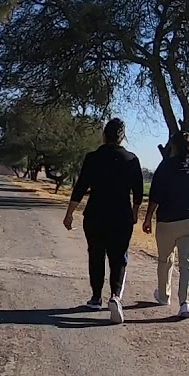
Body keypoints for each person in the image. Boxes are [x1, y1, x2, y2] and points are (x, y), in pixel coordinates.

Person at [63, 118, 144, 325]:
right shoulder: (132, 160)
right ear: (123, 137)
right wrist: (135, 212)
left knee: (96, 254)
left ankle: (96, 297)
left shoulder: (93, 158)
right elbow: (138, 192)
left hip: (96, 214)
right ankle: (115, 296)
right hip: (121, 215)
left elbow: (80, 187)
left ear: (104, 135)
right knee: (118, 257)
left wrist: (69, 213)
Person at [142, 132, 189, 320]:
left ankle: (164, 295)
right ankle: (186, 303)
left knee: (165, 259)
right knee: (188, 262)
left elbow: (155, 195)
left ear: (174, 147)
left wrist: (148, 218)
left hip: (167, 222)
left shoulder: (165, 167)